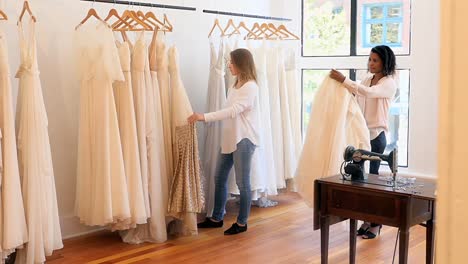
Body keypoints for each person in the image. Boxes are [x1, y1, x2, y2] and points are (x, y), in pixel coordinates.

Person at [188, 48, 260, 235]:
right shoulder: (234, 86)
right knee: (219, 178)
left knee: (243, 183)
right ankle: (216, 218)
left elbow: (232, 111)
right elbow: (229, 112)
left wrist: (204, 117)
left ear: (241, 64)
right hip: (230, 139)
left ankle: (242, 223)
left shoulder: (251, 87)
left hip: (243, 140)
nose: (229, 65)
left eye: (232, 62)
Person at [330, 45, 397, 239]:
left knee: (374, 182)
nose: (371, 63)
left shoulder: (389, 83)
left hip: (376, 136)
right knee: (358, 179)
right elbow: (358, 94)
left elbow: (367, 93)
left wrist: (344, 80)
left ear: (385, 62)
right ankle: (365, 219)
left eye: (375, 60)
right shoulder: (367, 79)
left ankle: (375, 224)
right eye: (370, 59)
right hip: (360, 134)